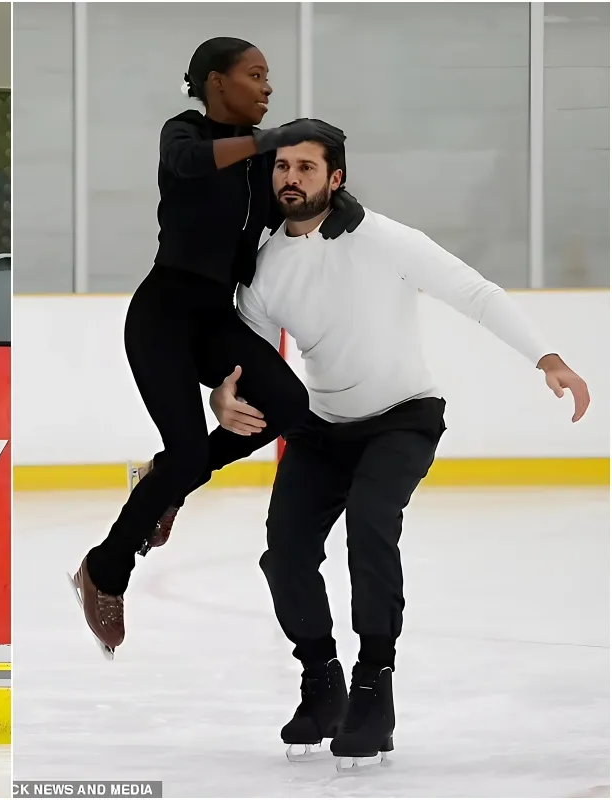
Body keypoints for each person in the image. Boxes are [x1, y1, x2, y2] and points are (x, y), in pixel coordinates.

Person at [207, 129, 590, 768]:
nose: (290, 177)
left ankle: (373, 685)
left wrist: (546, 357)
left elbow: (476, 292)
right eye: (281, 166)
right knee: (286, 552)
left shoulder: (384, 240)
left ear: (336, 178)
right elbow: (244, 355)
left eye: (306, 166)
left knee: (370, 524)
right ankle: (322, 678)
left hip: (403, 418)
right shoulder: (265, 261)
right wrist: (222, 396)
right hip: (321, 427)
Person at [70, 36, 366, 658]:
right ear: (215, 82)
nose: (267, 87)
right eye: (255, 75)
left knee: (286, 404)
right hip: (162, 315)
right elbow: (190, 165)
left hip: (216, 316)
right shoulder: (183, 133)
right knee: (186, 453)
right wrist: (270, 139)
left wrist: (337, 191)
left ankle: (162, 480)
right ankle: (104, 570)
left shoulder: (267, 162)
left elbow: (302, 204)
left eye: (268, 77)